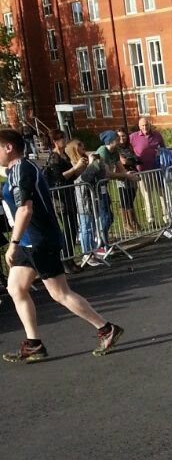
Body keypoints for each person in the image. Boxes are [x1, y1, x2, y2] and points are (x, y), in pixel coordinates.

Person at [0, 130, 123, 362]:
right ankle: (34, 343)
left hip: (39, 240)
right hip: (29, 241)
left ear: (9, 148)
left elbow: (25, 209)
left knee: (60, 293)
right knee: (16, 288)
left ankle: (106, 328)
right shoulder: (17, 169)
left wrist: (13, 243)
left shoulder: (22, 170)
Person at [116, 129, 140, 233]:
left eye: (124, 136)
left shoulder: (129, 147)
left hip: (133, 174)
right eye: (120, 136)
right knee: (125, 200)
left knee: (131, 199)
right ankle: (127, 224)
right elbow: (122, 161)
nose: (122, 138)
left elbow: (134, 159)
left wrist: (131, 160)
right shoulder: (116, 149)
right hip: (122, 176)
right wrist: (128, 161)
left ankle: (134, 221)